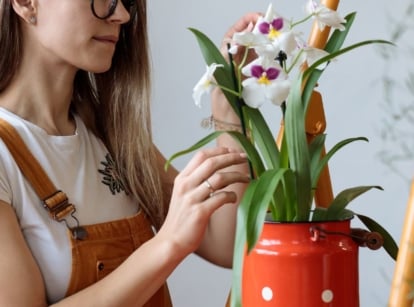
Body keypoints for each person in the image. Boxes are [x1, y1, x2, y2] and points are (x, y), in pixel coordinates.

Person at [0, 0, 259, 305]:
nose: (121, 15)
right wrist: (168, 244)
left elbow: (228, 244)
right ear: (26, 3)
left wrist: (228, 108)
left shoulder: (108, 134)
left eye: (126, 2)